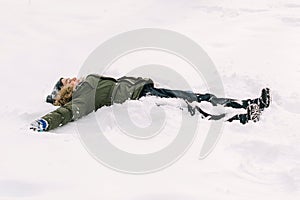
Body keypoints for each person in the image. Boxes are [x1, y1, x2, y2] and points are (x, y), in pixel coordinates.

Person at [30, 74, 271, 132]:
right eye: (65, 81)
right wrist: (45, 122)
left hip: (145, 88)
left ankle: (249, 103)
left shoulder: (88, 82)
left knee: (199, 97)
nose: (71, 77)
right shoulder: (82, 97)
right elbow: (67, 113)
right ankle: (243, 117)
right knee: (195, 109)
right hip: (141, 98)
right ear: (65, 92)